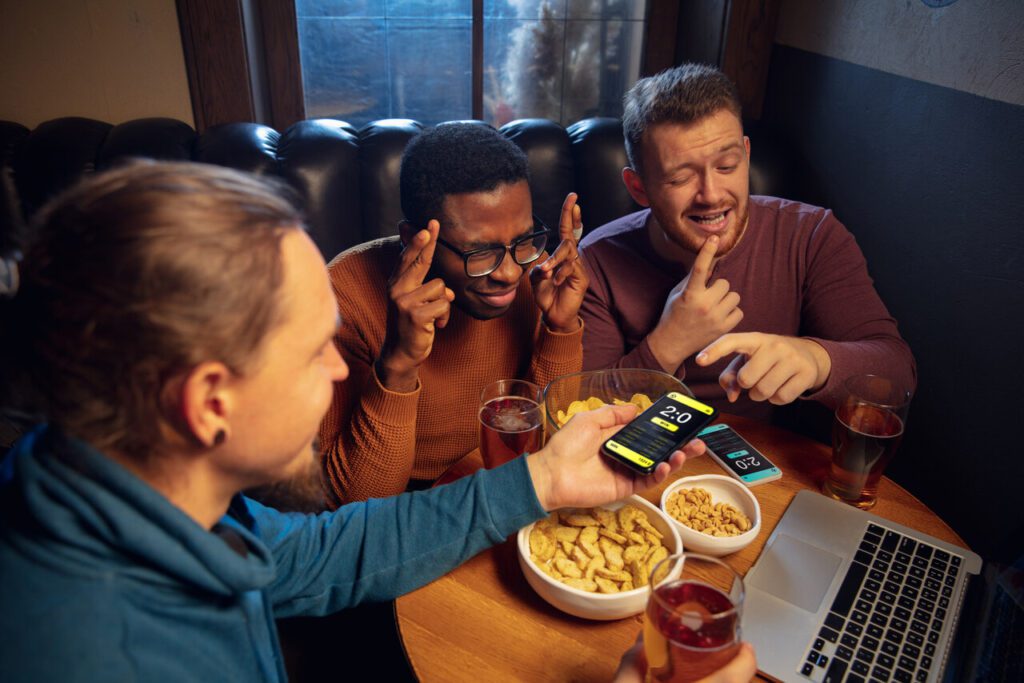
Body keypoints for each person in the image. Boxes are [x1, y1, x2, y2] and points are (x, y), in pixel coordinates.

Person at [0, 161, 714, 682]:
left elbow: (317, 554)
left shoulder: (135, 486)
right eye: (315, 352)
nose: (341, 369)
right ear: (210, 402)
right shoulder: (102, 653)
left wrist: (547, 476)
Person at [579, 63, 916, 423]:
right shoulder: (598, 261)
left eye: (726, 166)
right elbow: (580, 415)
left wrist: (816, 359)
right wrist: (667, 343)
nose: (711, 195)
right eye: (680, 178)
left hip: (767, 465)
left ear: (746, 154)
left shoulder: (811, 235)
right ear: (639, 188)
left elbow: (897, 375)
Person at [319, 123, 587, 504]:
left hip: (500, 487)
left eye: (523, 239)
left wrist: (559, 329)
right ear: (415, 239)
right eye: (479, 252)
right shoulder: (342, 297)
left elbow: (550, 445)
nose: (509, 273)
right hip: (400, 509)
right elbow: (353, 506)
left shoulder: (535, 271)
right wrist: (398, 364)